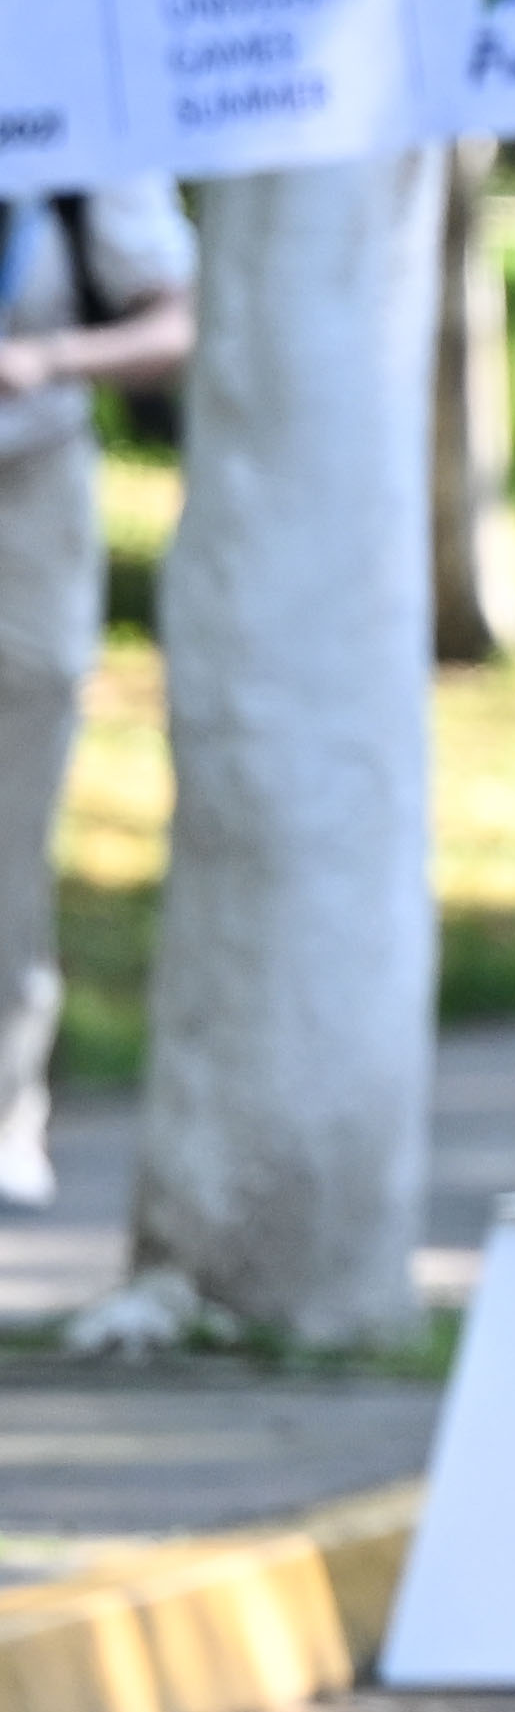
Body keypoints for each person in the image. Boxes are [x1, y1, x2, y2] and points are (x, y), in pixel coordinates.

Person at [0, 183, 190, 1205]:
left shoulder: (77, 128)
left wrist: (49, 359)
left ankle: (7, 1101)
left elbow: (178, 319)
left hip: (27, 495)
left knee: (11, 823)